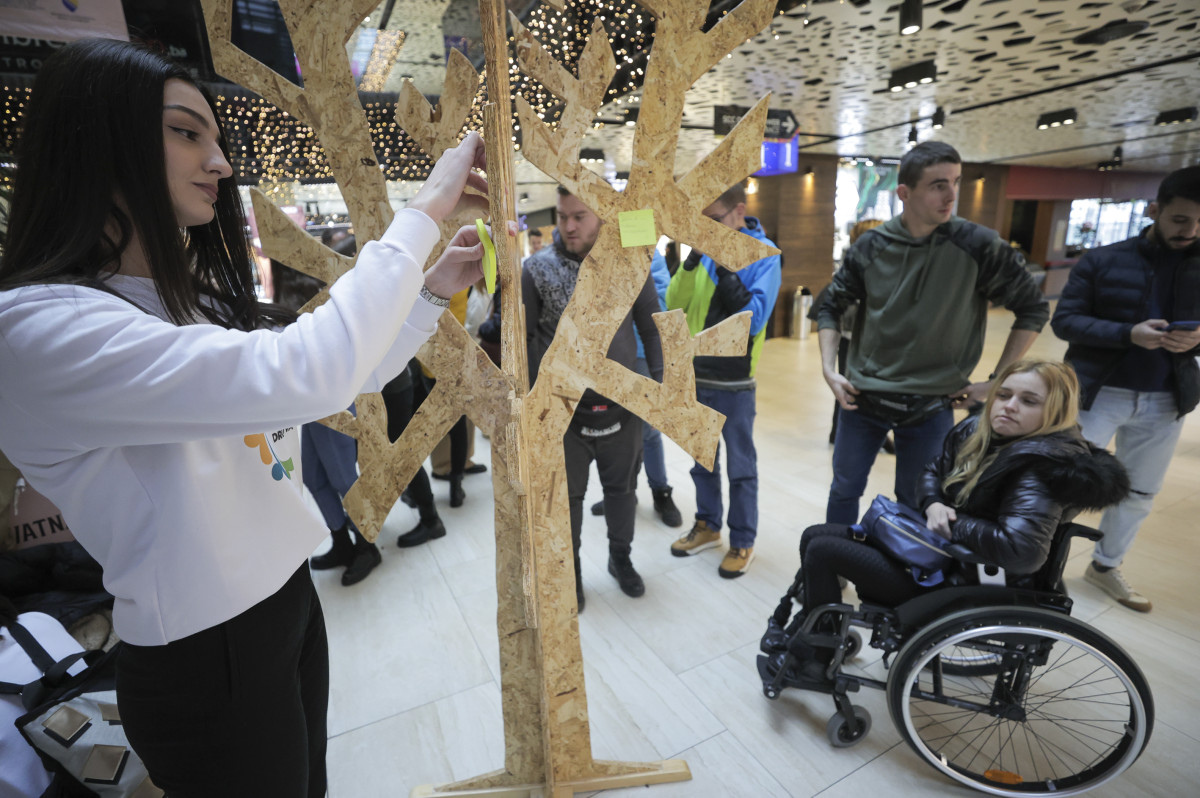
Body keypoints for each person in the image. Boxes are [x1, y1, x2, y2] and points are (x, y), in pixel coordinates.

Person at [0, 39, 488, 797]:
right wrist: (423, 209)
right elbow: (306, 369)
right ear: (96, 135)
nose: (221, 163)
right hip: (204, 652)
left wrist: (427, 295)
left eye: (217, 139)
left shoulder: (174, 301)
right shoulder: (35, 331)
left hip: (282, 602)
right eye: (186, 132)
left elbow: (327, 386)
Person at [763, 360, 1128, 682]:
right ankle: (818, 636)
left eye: (1028, 401)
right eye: (1003, 395)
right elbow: (932, 469)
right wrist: (934, 502)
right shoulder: (981, 432)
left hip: (965, 582)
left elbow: (1022, 551)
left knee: (824, 550)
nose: (1008, 407)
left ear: (1056, 411)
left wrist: (952, 523)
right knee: (816, 535)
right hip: (943, 555)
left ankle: (815, 659)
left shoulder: (1040, 469)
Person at [817, 141, 1049, 527]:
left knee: (917, 500)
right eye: (938, 185)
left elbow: (1033, 308)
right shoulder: (871, 246)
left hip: (933, 404)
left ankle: (896, 581)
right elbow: (830, 305)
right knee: (844, 489)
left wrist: (997, 383)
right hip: (863, 398)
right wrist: (829, 369)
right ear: (904, 193)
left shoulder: (979, 245)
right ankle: (829, 569)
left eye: (955, 182)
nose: (952, 195)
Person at [1050, 165, 1200, 612]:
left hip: (1166, 398)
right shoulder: (1102, 259)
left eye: (1199, 222)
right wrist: (1127, 333)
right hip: (1098, 393)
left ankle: (1105, 565)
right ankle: (1041, 565)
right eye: (1179, 219)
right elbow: (1065, 320)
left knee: (1139, 493)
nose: (1190, 231)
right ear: (1155, 210)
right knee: (1067, 485)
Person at [523, 187, 664, 609]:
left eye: (579, 216)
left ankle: (620, 559)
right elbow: (527, 340)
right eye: (563, 216)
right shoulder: (537, 270)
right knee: (567, 501)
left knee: (621, 493)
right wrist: (536, 404)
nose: (568, 226)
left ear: (602, 216)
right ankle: (573, 572)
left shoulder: (628, 265)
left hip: (622, 404)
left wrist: (659, 390)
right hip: (564, 412)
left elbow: (652, 328)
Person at [666, 182, 781, 578]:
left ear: (738, 212)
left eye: (713, 221)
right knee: (702, 460)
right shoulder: (704, 252)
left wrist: (725, 264)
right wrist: (694, 259)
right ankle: (708, 526)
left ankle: (743, 539)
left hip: (735, 381)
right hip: (698, 373)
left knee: (741, 467)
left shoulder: (763, 257)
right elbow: (675, 304)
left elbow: (753, 321)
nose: (707, 230)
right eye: (702, 224)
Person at [591, 243, 683, 527]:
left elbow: (660, 304)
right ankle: (621, 492)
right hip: (608, 357)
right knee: (613, 432)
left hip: (641, 353)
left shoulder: (646, 251)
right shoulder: (597, 251)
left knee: (648, 430)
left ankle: (660, 490)